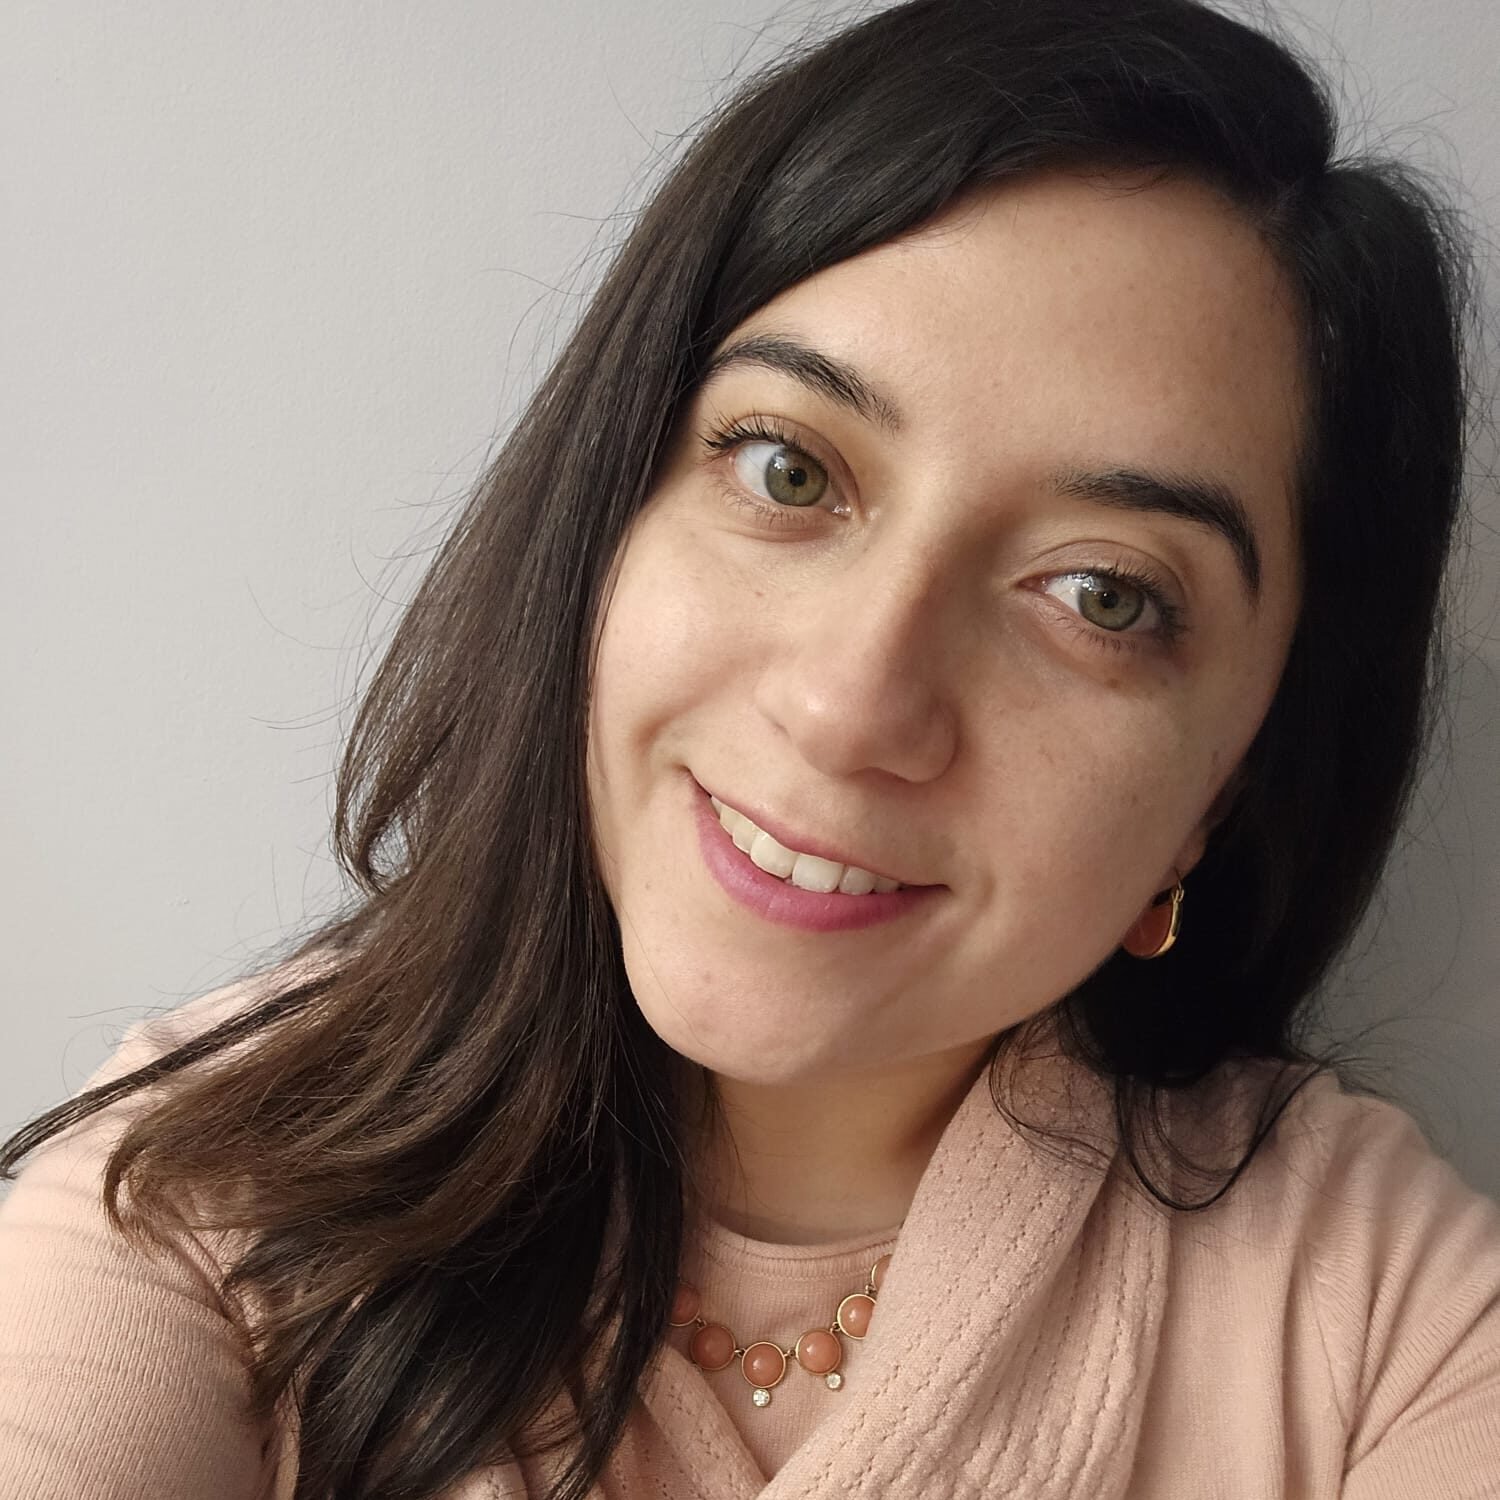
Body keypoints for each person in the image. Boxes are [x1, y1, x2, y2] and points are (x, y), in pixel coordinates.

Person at [2, 0, 1496, 1496]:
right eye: (788, 470)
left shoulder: (1388, 1326)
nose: (851, 707)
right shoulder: (194, 1206)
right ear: (610, 508)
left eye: (1103, 594)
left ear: (1230, 779)